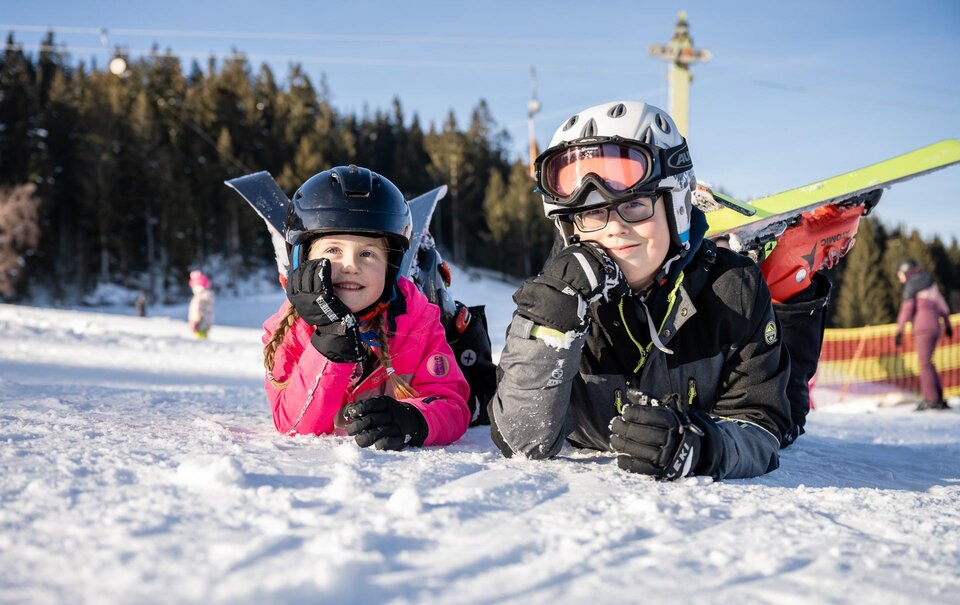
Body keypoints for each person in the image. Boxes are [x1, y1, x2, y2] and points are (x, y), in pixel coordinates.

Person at [490, 100, 847, 480]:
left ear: (675, 204)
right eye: (592, 213)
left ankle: (790, 276)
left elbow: (764, 425)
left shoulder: (733, 288)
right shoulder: (556, 298)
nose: (614, 229)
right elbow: (522, 440)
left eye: (635, 206)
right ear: (570, 227)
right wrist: (550, 320)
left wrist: (702, 446)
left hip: (730, 336)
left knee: (791, 409)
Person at [261, 165, 470, 449]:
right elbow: (293, 424)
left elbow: (451, 406)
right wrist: (330, 341)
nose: (351, 266)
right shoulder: (290, 327)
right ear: (303, 260)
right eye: (333, 250)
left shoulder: (416, 318)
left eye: (368, 254)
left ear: (391, 267)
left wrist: (414, 419)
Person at [895, 259, 953, 410]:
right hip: (936, 327)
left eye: (900, 274)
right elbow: (942, 305)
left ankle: (931, 400)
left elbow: (906, 309)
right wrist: (947, 324)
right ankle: (938, 397)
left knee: (924, 364)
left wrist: (899, 330)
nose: (899, 278)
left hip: (922, 329)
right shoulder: (929, 283)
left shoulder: (911, 285)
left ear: (906, 272)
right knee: (929, 362)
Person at [187, 270, 215, 338]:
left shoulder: (200, 298)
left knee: (200, 341)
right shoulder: (204, 297)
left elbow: (198, 311)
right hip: (203, 323)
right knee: (202, 339)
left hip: (200, 324)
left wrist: (196, 321)